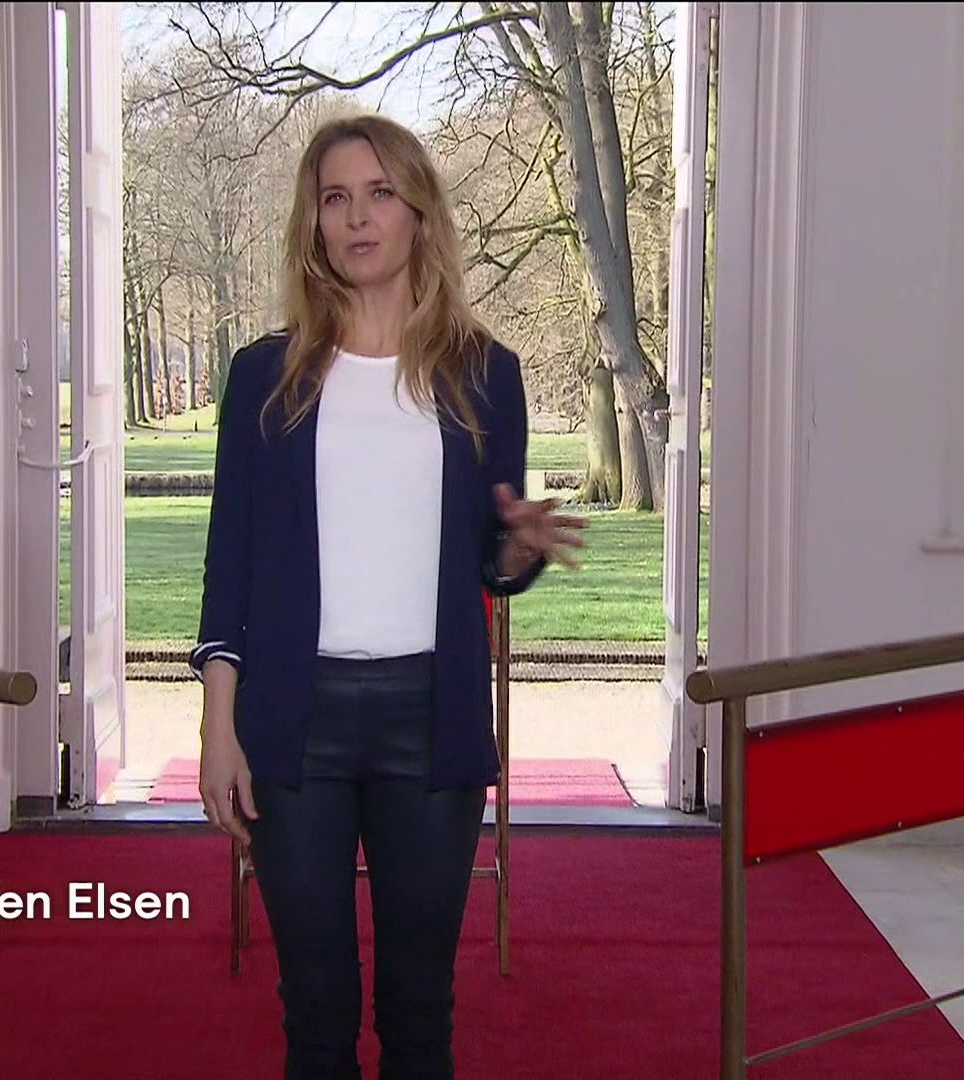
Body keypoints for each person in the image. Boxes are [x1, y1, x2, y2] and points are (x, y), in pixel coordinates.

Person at [190, 113, 587, 1080]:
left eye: (380, 194)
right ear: (314, 222)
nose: (357, 217)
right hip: (294, 724)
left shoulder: (485, 374)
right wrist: (218, 728)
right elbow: (228, 564)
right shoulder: (264, 376)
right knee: (316, 1012)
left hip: (429, 722)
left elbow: (491, 567)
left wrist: (518, 546)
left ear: (418, 214)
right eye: (336, 197)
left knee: (419, 1014)